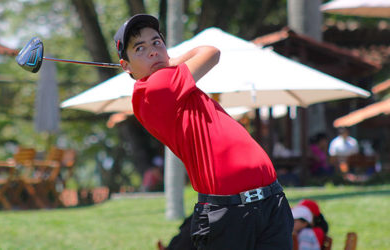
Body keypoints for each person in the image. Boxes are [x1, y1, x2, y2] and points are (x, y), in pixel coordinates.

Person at [114, 14, 293, 249]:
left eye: (156, 42)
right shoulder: (155, 88)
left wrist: (168, 61)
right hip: (230, 212)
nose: (152, 51)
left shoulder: (174, 84)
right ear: (125, 66)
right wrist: (174, 59)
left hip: (270, 200)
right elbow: (211, 52)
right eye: (140, 48)